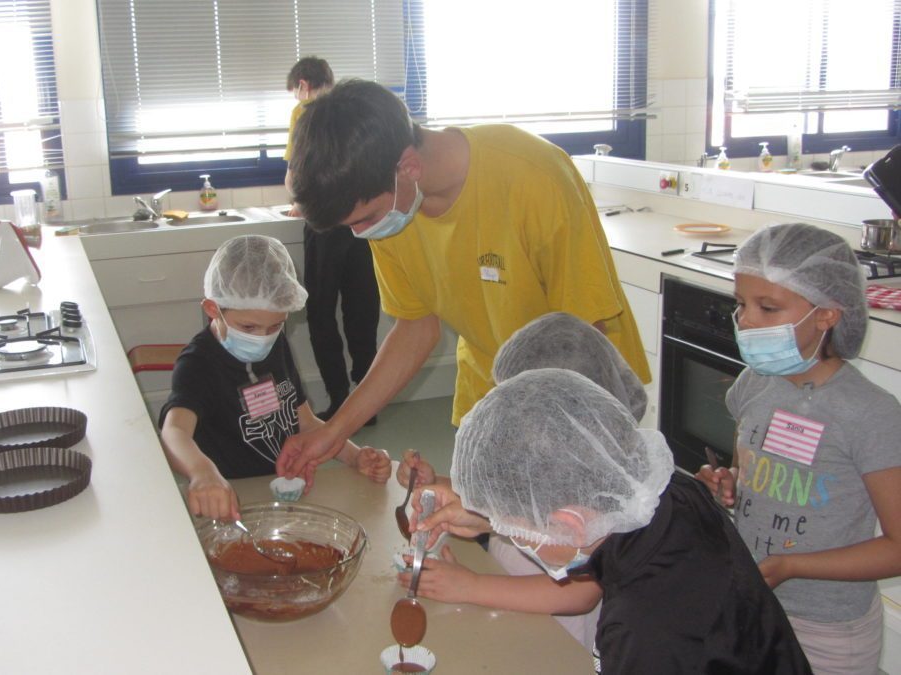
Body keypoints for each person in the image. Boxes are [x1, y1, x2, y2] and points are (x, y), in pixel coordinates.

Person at [277, 79, 649, 482]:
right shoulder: (393, 207)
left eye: (364, 218)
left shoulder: (532, 175)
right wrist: (334, 433)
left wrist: (548, 453)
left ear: (408, 167)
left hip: (579, 396)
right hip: (488, 392)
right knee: (485, 535)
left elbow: (582, 336)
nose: (361, 232)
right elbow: (415, 326)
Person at [426, 368, 811, 673]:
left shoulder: (643, 633)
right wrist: (490, 519)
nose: (517, 537)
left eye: (518, 531)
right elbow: (573, 526)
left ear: (571, 523)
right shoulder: (665, 492)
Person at [696, 222, 901, 674]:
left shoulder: (870, 413)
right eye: (742, 304)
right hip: (749, 599)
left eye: (767, 308)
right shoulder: (755, 383)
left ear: (827, 314)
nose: (746, 320)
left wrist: (793, 564)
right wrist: (726, 485)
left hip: (826, 628)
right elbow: (749, 469)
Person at [394, 311, 649, 649]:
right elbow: (517, 506)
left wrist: (472, 587)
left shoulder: (601, 491)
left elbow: (581, 593)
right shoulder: (541, 453)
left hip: (559, 640)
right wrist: (440, 482)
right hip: (506, 608)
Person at [158, 234, 391, 521]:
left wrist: (355, 456)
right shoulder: (198, 363)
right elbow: (174, 432)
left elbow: (305, 423)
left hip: (280, 491)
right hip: (229, 498)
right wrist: (202, 474)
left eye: (275, 326)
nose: (262, 338)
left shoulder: (276, 345)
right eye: (249, 326)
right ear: (212, 309)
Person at [284, 58, 380, 423]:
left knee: (321, 312)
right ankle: (367, 404)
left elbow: (296, 176)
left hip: (325, 223)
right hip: (365, 222)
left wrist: (298, 202)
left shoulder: (305, 112)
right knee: (362, 309)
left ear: (303, 85)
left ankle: (339, 399)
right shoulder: (352, 112)